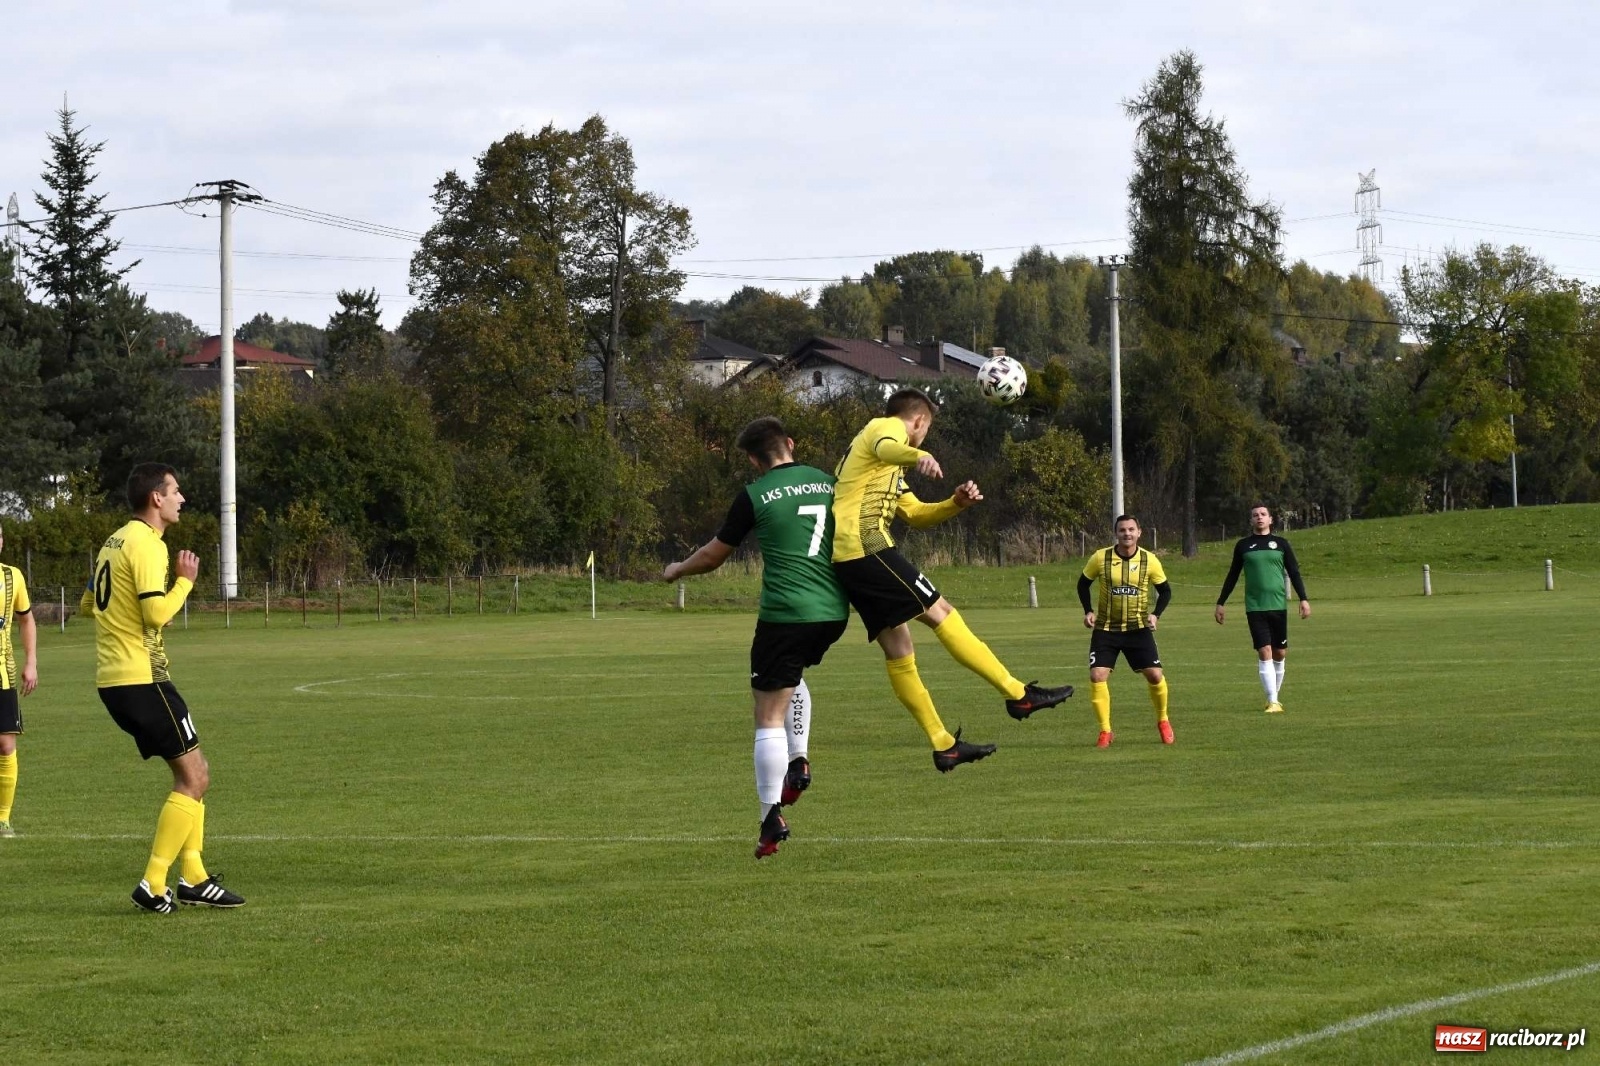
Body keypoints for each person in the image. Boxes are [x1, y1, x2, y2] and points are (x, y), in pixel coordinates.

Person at [830, 388, 1073, 772]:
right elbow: (890, 445)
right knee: (941, 610)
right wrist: (920, 453)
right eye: (925, 432)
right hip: (867, 547)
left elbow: (915, 514)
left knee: (900, 649)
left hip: (852, 558)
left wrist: (954, 503)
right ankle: (1018, 694)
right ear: (920, 421)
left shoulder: (881, 466)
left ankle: (944, 745)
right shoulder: (883, 428)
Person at [664, 418, 850, 859]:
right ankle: (799, 760)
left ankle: (770, 816)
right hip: (833, 612)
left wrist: (677, 570)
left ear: (752, 459)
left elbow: (713, 556)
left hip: (785, 614)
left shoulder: (755, 495)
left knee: (767, 714)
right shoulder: (829, 482)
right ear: (790, 444)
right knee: (791, 678)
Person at [83, 463, 245, 912]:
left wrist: (137, 611)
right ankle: (154, 883)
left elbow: (87, 603)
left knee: (194, 774)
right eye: (175, 490)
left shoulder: (113, 541)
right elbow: (155, 614)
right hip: (142, 679)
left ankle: (193, 877)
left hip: (116, 680)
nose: (182, 498)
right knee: (195, 777)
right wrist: (184, 584)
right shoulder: (149, 545)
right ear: (156, 498)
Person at [1077, 514, 1173, 748]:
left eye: (1131, 529)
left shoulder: (1150, 560)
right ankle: (1105, 731)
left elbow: (1166, 591)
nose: (1127, 534)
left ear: (1139, 532)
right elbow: (1083, 583)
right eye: (1122, 530)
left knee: (1155, 675)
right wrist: (1088, 610)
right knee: (1097, 675)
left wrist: (1155, 614)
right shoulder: (1101, 558)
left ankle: (1163, 720)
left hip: (1138, 628)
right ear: (1116, 533)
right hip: (1106, 629)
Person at [1214, 504, 1310, 714]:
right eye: (1255, 515)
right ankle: (1273, 701)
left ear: (1270, 519)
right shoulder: (1243, 546)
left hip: (1278, 605)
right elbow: (1232, 575)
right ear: (1251, 520)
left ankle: (1274, 697)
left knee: (1279, 652)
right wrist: (1221, 602)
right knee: (1264, 650)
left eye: (1263, 514)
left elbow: (1294, 572)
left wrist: (1303, 599)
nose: (1259, 517)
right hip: (1255, 607)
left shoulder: (1282, 544)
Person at [0, 521, 38, 838]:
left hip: (2, 672)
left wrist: (31, 662)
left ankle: (3, 819)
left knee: (5, 743)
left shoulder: (12, 577)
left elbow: (27, 620)